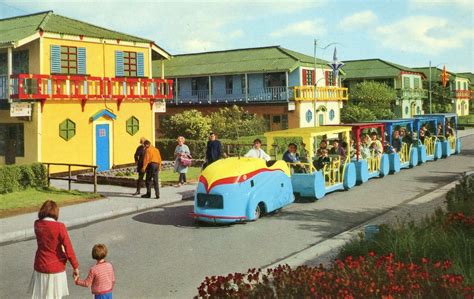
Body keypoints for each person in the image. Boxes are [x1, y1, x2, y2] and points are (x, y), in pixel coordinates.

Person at [28, 200, 79, 299]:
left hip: (40, 265)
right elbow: (69, 249)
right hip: (56, 268)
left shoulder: (37, 224)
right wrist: (75, 266)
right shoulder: (60, 227)